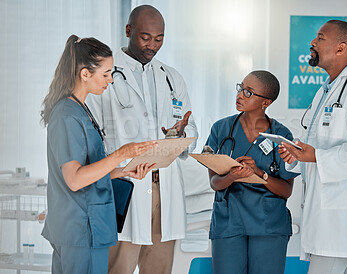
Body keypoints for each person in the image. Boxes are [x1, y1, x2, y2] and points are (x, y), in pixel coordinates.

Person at [86, 5, 198, 274]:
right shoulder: (106, 74)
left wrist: (180, 134)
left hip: (164, 188)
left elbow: (190, 127)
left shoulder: (172, 77)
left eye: (159, 39)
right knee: (117, 268)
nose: (152, 46)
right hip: (126, 185)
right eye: (145, 37)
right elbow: (92, 132)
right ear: (128, 30)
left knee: (159, 269)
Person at [40, 35, 157, 273]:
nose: (110, 80)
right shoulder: (67, 115)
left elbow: (89, 170)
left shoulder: (80, 109)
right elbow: (74, 179)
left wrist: (124, 170)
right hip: (79, 229)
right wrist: (121, 153)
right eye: (105, 74)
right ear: (85, 74)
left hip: (88, 228)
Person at [278, 20, 347, 274]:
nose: (312, 43)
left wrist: (316, 156)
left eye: (320, 38)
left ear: (340, 48)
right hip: (328, 218)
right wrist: (295, 155)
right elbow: (316, 143)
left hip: (342, 220)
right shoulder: (326, 91)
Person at [205, 70, 298, 274]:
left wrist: (259, 173)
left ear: (266, 102)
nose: (240, 95)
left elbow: (286, 191)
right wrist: (231, 176)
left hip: (269, 226)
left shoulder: (281, 135)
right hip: (228, 222)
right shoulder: (221, 129)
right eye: (241, 88)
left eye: (249, 92)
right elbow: (214, 183)